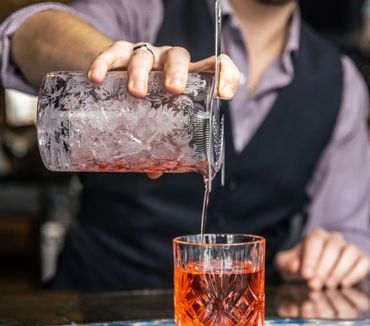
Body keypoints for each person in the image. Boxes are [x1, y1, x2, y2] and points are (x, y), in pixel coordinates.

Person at [1, 0, 369, 291]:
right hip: (93, 313)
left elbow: (348, 231)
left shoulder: (342, 82)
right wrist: (116, 59)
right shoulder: (148, 10)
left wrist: (330, 255)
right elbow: (28, 33)